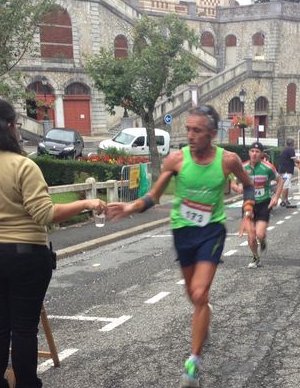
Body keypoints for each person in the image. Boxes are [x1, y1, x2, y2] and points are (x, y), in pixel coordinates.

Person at [0, 99, 107, 388]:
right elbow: (45, 213)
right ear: (9, 127)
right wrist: (87, 202)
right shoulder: (23, 166)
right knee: (23, 327)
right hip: (25, 254)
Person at [106, 105, 254, 388]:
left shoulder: (228, 160)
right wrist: (130, 207)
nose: (190, 135)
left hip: (211, 232)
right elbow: (154, 196)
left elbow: (248, 186)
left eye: (197, 130)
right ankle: (203, 318)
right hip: (182, 232)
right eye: (188, 129)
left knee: (200, 293)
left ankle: (193, 363)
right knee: (193, 295)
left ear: (212, 133)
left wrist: (247, 211)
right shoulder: (176, 159)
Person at [231, 141, 283, 268]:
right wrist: (238, 188)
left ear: (262, 154)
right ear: (249, 153)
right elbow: (232, 182)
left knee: (260, 234)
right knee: (251, 236)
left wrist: (276, 197)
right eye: (252, 151)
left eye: (257, 152)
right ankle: (255, 257)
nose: (254, 154)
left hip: (263, 203)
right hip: (248, 204)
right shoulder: (242, 167)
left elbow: (280, 180)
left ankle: (263, 240)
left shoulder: (268, 167)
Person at [278, 138, 296, 207]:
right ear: (292, 143)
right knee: (285, 185)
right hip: (287, 170)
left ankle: (286, 199)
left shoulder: (284, 149)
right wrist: (299, 162)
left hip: (282, 169)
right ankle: (283, 201)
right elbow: (293, 159)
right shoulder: (291, 149)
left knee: (287, 185)